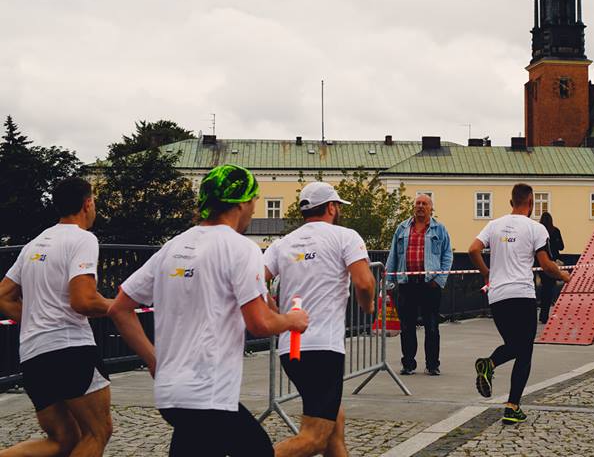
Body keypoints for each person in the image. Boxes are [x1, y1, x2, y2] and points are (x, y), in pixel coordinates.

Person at [108, 165, 308, 457]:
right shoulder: (241, 248)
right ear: (242, 202)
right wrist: (292, 320)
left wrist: (154, 361)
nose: (253, 210)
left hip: (171, 392)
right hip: (209, 393)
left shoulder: (172, 246)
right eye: (254, 201)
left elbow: (119, 308)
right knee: (258, 451)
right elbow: (260, 324)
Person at [0, 177, 114, 457]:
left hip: (33, 354)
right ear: (87, 204)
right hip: (70, 349)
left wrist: (35, 318)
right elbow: (83, 300)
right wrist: (117, 306)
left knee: (63, 439)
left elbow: (3, 295)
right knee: (97, 431)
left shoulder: (34, 244)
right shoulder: (83, 238)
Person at [264, 181, 376, 457]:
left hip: (290, 346)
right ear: (330, 207)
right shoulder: (345, 237)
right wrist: (368, 306)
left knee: (333, 428)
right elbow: (364, 282)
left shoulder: (283, 243)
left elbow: (251, 281)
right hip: (323, 348)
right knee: (314, 438)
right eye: (337, 205)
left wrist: (273, 307)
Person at [469, 184, 570, 425]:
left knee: (515, 345)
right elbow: (545, 265)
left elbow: (473, 249)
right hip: (522, 295)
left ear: (510, 201)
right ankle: (510, 402)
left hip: (498, 296)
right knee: (524, 351)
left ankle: (493, 371)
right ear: (531, 203)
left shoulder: (493, 225)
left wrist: (486, 273)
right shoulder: (536, 228)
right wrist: (564, 276)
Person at [386, 193, 452, 376]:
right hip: (407, 283)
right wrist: (389, 281)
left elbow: (447, 255)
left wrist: (439, 280)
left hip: (429, 284)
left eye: (424, 204)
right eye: (418, 203)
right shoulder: (402, 228)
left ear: (431, 208)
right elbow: (393, 255)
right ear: (413, 207)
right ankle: (408, 363)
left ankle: (432, 365)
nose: (420, 206)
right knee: (407, 326)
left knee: (431, 326)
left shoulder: (439, 229)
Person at [537, 212, 565, 324]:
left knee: (544, 288)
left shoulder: (539, 232)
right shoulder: (555, 231)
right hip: (553, 263)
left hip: (540, 263)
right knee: (550, 288)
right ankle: (545, 314)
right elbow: (561, 247)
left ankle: (542, 314)